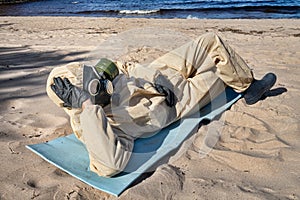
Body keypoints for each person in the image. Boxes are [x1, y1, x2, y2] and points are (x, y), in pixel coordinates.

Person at [46, 32, 276, 177]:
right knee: (220, 72)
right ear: (78, 101)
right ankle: (250, 91)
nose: (100, 81)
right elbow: (110, 166)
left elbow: (122, 66)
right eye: (91, 88)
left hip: (161, 72)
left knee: (211, 41)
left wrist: (152, 77)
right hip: (178, 99)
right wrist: (88, 106)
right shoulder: (103, 126)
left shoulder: (97, 78)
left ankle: (247, 83)